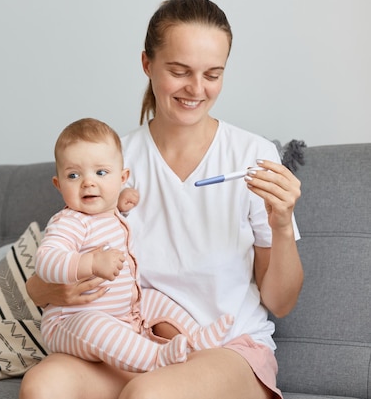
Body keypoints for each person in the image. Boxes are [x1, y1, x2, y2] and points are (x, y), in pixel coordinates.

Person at [20, 0, 303, 399]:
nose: (196, 89)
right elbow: (43, 279)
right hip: (136, 339)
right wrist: (59, 289)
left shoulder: (252, 157)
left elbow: (281, 301)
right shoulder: (111, 162)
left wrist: (281, 225)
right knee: (42, 386)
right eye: (179, 70)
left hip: (227, 349)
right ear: (147, 65)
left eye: (213, 74)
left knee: (149, 394)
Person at [36, 118, 234, 373]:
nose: (88, 182)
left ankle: (197, 338)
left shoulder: (107, 213)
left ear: (122, 178)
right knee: (95, 325)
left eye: (101, 173)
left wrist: (118, 203)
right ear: (58, 184)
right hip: (70, 322)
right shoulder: (70, 221)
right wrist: (90, 263)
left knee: (153, 297)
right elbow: (46, 261)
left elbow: (105, 220)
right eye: (73, 175)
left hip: (125, 314)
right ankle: (156, 358)